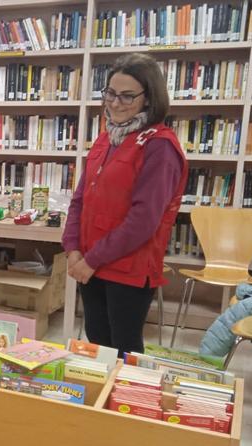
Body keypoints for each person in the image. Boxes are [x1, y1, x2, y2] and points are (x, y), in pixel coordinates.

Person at [63, 53, 188, 356]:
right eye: (110, 93)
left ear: (149, 98)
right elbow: (80, 199)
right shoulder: (106, 139)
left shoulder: (160, 146)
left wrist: (91, 260)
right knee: (96, 345)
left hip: (127, 268)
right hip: (90, 263)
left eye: (127, 96)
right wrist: (73, 250)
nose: (115, 103)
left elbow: (143, 220)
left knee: (124, 351)